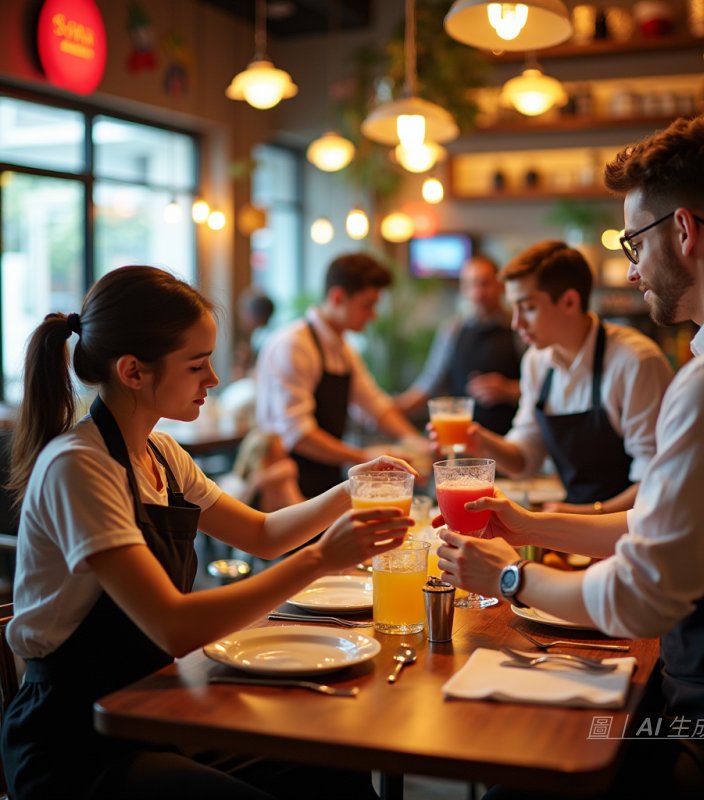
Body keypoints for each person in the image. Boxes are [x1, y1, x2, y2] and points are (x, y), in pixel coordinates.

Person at [436, 113, 704, 798]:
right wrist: (530, 525)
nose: (631, 265)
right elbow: (672, 522)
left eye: (634, 239)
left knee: (536, 755)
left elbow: (640, 597)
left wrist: (511, 576)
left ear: (685, 231)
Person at [0, 264, 416, 800]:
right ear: (133, 372)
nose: (214, 379)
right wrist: (320, 560)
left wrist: (353, 488)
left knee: (333, 767)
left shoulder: (164, 456)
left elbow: (264, 534)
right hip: (75, 742)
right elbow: (172, 626)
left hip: (151, 706)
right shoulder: (79, 466)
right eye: (197, 365)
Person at [457, 241, 673, 514]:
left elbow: (656, 481)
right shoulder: (537, 361)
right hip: (573, 524)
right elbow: (525, 461)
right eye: (515, 308)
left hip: (634, 529)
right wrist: (478, 438)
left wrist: (580, 515)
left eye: (528, 308)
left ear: (570, 301)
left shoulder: (635, 361)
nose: (516, 323)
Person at [256, 252, 428, 498]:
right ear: (338, 297)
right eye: (367, 305)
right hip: (285, 483)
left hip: (324, 477)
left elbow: (375, 405)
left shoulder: (343, 349)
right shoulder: (295, 345)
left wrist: (415, 441)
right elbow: (298, 435)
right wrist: (364, 458)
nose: (373, 315)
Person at [394, 254, 525, 435]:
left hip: (510, 439)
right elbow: (430, 383)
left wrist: (509, 390)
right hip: (462, 440)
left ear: (500, 285)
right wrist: (393, 408)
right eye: (470, 285)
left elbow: (541, 387)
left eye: (485, 283)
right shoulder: (452, 330)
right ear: (463, 289)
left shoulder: (518, 327)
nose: (478, 293)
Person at [231, 287, 275, 381]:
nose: (240, 315)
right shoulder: (259, 335)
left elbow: (262, 376)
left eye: (243, 309)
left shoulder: (265, 339)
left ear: (255, 314)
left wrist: (243, 369)